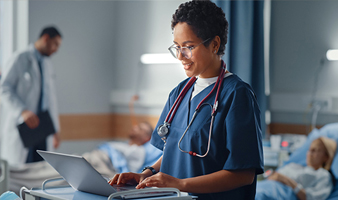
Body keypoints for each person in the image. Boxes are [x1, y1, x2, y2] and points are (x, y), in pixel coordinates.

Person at [108, 1, 264, 199]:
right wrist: (146, 174)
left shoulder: (237, 95)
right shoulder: (179, 93)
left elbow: (244, 174)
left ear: (214, 44)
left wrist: (180, 184)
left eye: (188, 47)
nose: (180, 56)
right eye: (177, 47)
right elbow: (176, 151)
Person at [9, 122, 162, 193]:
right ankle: (11, 172)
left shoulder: (139, 151)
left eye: (141, 128)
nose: (135, 127)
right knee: (47, 167)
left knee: (58, 174)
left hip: (101, 164)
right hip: (92, 157)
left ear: (147, 137)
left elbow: (127, 167)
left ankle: (11, 181)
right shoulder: (121, 144)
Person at [0, 26, 62, 166]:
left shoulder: (47, 64)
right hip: (23, 127)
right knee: (21, 173)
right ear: (46, 38)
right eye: (55, 44)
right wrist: (22, 111)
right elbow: (4, 88)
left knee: (39, 172)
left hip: (43, 129)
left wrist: (55, 131)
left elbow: (51, 100)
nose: (56, 49)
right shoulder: (20, 58)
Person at [256, 137, 337, 200]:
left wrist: (286, 180)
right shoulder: (295, 166)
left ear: (326, 157)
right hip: (267, 186)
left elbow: (310, 198)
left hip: (281, 194)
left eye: (316, 150)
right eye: (310, 150)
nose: (310, 153)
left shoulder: (323, 175)